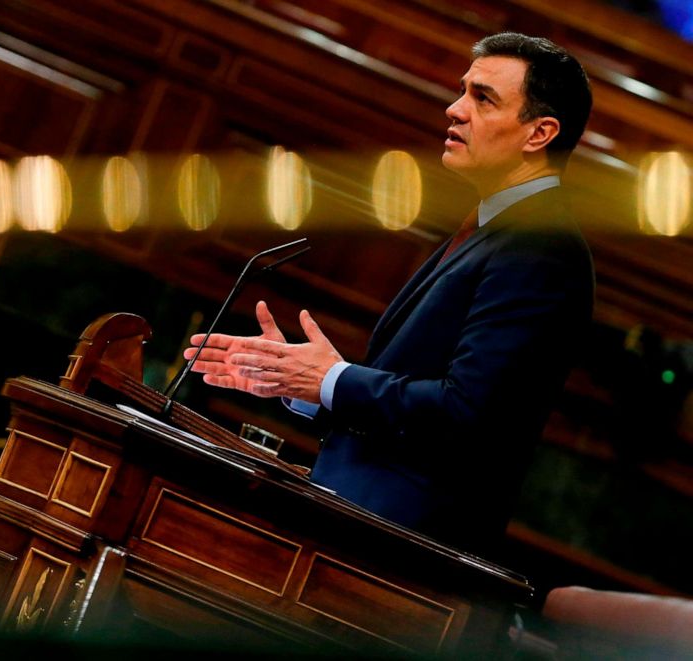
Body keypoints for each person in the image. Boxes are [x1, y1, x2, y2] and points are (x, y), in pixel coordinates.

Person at [184, 32, 595, 555]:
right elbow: (419, 407)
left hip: (400, 553)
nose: (455, 109)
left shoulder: (543, 249)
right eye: (462, 91)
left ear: (539, 133)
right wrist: (313, 386)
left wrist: (335, 380)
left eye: (482, 98)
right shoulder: (497, 228)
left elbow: (466, 415)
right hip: (358, 528)